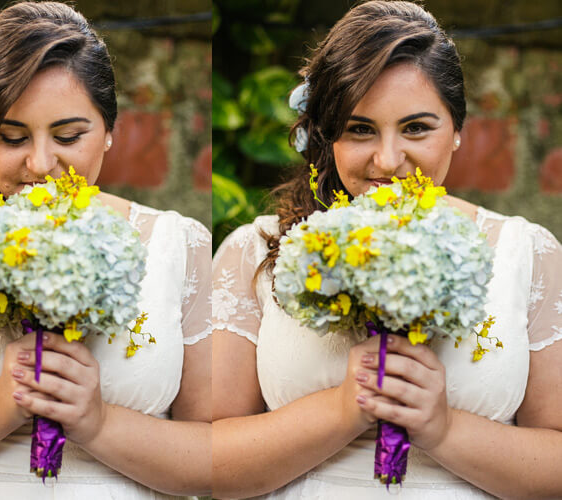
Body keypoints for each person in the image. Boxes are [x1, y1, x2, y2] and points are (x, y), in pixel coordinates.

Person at [212, 1, 562, 498]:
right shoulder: (257, 251)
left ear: (458, 130)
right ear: (326, 134)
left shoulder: (526, 253)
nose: (389, 160)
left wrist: (442, 428)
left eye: (417, 128)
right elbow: (210, 467)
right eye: (360, 129)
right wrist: (341, 409)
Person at [0, 2, 211, 498]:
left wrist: (98, 422)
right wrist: (1, 403)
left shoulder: (179, 245)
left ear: (110, 130)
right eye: (11, 136)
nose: (41, 163)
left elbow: (214, 461)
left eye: (69, 135)